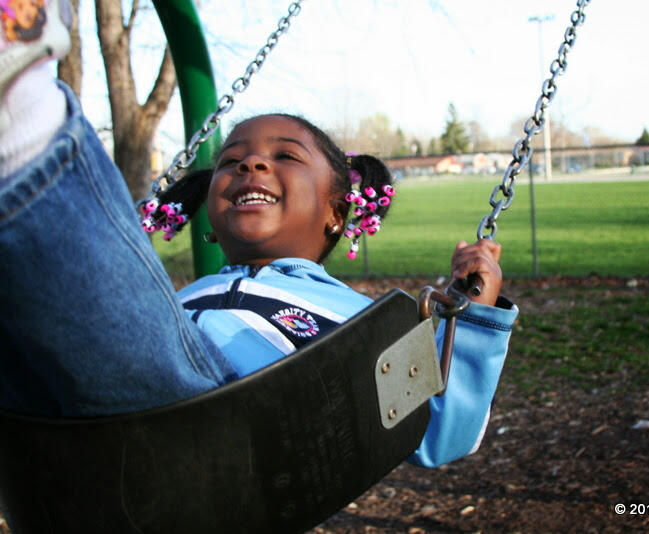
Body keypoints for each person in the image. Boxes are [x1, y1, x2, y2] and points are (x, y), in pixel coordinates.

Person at [0, 0, 517, 467]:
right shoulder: (180, 302)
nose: (250, 162)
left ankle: (23, 110)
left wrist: (472, 319)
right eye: (230, 160)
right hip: (82, 456)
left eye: (285, 156)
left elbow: (436, 433)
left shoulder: (360, 320)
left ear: (336, 212)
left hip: (218, 448)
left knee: (114, 307)